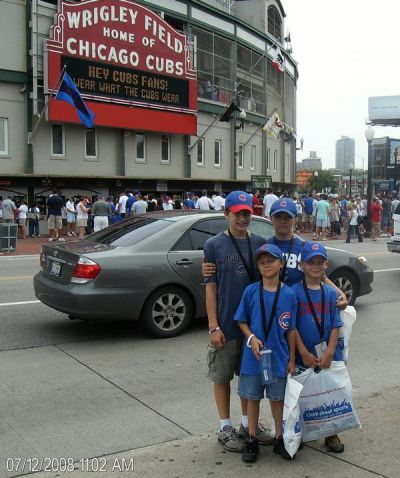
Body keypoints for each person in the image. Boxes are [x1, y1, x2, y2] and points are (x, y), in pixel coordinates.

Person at [204, 191, 272, 453]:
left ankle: (248, 424)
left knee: (249, 379)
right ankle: (225, 427)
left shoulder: (260, 243)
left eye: (247, 213)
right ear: (226, 214)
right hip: (225, 322)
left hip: (252, 326)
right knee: (221, 377)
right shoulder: (214, 245)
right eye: (238, 213)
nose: (243, 218)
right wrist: (213, 325)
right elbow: (210, 287)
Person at [234, 243, 297, 462]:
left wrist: (292, 359)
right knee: (252, 398)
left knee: (277, 399)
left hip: (278, 357)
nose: (266, 264)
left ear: (281, 264)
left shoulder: (289, 294)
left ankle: (280, 438)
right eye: (262, 261)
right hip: (254, 357)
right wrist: (251, 338)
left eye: (271, 260)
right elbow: (241, 320)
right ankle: (251, 438)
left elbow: (291, 330)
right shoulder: (251, 291)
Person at [292, 241, 345, 453]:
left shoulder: (331, 293)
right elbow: (291, 326)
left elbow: (336, 325)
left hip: (326, 354)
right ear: (302, 265)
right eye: (310, 262)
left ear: (326, 265)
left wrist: (330, 351)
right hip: (302, 355)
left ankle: (331, 432)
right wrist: (303, 351)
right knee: (304, 394)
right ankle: (304, 431)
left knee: (328, 393)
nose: (315, 266)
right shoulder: (293, 293)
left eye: (319, 262)